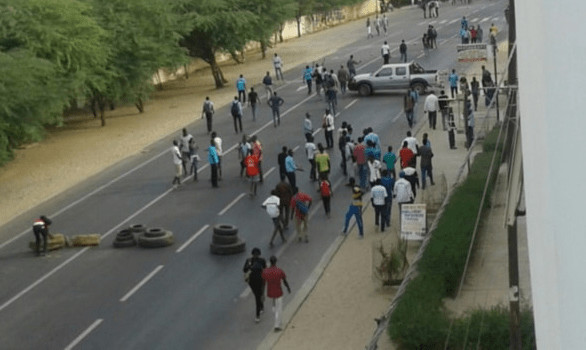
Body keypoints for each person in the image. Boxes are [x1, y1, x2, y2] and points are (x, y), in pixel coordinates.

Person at [262, 256, 291, 332]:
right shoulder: (279, 271)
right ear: (276, 262)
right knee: (279, 308)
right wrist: (288, 287)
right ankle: (277, 325)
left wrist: (262, 294)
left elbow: (263, 283)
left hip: (270, 291)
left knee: (275, 305)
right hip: (278, 291)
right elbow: (284, 280)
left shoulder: (265, 271)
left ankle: (275, 315)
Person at [243, 248, 267, 323]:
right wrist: (250, 267)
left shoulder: (262, 260)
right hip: (252, 282)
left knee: (257, 296)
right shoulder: (249, 261)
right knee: (257, 295)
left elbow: (265, 269)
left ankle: (257, 315)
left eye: (257, 254)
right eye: (254, 254)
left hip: (260, 281)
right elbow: (244, 270)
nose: (256, 256)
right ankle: (261, 305)